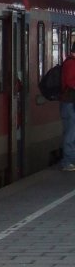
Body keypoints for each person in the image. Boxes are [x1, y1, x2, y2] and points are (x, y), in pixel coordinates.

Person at [60, 43, 75, 171]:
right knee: (70, 132)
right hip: (69, 102)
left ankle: (71, 160)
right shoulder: (71, 63)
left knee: (72, 132)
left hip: (71, 102)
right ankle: (67, 161)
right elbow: (71, 81)